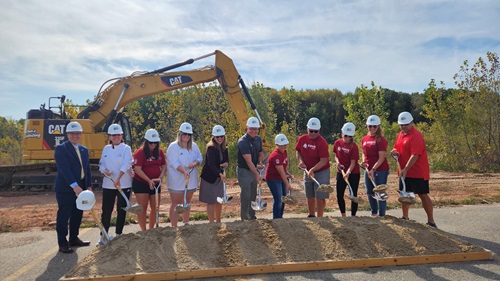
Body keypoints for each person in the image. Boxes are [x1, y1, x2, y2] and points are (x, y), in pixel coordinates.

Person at [391, 111, 437, 227]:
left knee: (423, 194)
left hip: (417, 171)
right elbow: (397, 149)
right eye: (402, 124)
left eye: (406, 124)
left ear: (412, 122)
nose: (404, 126)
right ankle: (405, 218)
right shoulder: (400, 135)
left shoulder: (416, 136)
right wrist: (394, 153)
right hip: (404, 172)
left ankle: (431, 221)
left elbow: (415, 155)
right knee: (404, 194)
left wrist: (406, 168)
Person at [54, 121, 92, 253]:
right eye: (72, 133)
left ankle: (74, 238)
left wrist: (89, 185)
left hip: (81, 187)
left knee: (77, 214)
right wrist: (74, 186)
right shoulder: (61, 149)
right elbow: (65, 170)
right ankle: (62, 242)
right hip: (66, 189)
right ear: (67, 134)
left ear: (80, 134)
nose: (74, 136)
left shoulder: (84, 150)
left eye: (77, 133)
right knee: (64, 215)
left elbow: (87, 169)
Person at [98, 124, 133, 244]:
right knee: (106, 210)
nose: (116, 137)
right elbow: (101, 164)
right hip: (108, 185)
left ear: (122, 135)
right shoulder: (106, 148)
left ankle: (119, 235)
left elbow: (126, 164)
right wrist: (104, 170)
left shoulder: (126, 148)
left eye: (118, 135)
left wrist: (118, 178)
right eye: (113, 135)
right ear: (110, 137)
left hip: (123, 184)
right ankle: (104, 236)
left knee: (121, 209)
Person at [167, 122, 203, 227]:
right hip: (176, 180)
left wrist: (195, 163)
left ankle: (186, 222)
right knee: (176, 203)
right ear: (180, 134)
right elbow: (174, 162)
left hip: (190, 180)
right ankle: (174, 226)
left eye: (188, 135)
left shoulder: (194, 146)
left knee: (186, 201)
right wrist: (184, 171)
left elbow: (199, 158)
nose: (186, 136)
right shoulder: (173, 147)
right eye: (184, 134)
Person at [295, 117, 330, 218]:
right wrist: (301, 162)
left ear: (319, 130)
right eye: (311, 131)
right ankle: (311, 215)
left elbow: (324, 160)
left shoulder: (322, 143)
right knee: (309, 193)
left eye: (316, 131)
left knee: (320, 195)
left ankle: (320, 217)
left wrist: (313, 170)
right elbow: (298, 151)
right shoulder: (302, 139)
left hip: (321, 171)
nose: (313, 133)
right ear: (307, 129)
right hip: (308, 169)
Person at [132, 129, 166, 230]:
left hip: (155, 183)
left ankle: (151, 229)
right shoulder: (140, 152)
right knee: (142, 208)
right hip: (142, 183)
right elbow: (137, 169)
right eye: (151, 142)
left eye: (155, 142)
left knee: (155, 208)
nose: (153, 144)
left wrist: (161, 176)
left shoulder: (159, 152)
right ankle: (144, 231)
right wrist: (148, 180)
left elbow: (164, 165)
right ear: (146, 142)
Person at [360, 115, 390, 217]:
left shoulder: (381, 140)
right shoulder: (364, 139)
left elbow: (381, 157)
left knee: (380, 193)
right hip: (368, 169)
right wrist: (363, 162)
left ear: (378, 127)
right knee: (369, 191)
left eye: (374, 126)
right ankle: (373, 213)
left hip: (380, 170)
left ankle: (381, 215)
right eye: (370, 126)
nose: (372, 128)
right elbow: (364, 152)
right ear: (367, 126)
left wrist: (373, 169)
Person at [199, 125, 229, 223]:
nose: (220, 138)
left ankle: (218, 221)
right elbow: (211, 164)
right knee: (211, 201)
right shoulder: (211, 148)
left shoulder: (224, 147)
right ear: (214, 137)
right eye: (217, 137)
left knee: (219, 200)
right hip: (209, 178)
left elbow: (226, 160)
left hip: (218, 177)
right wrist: (219, 174)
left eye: (221, 136)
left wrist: (226, 164)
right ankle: (211, 222)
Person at [237, 117, 264, 220]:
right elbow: (248, 161)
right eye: (251, 128)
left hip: (254, 169)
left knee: (253, 194)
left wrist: (260, 162)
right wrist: (257, 174)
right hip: (244, 171)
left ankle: (252, 215)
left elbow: (260, 153)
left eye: (255, 129)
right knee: (246, 194)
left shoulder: (258, 139)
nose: (253, 131)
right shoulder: (243, 142)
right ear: (247, 128)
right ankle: (245, 217)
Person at [333, 122, 360, 217]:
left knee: (353, 195)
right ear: (342, 133)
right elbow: (336, 156)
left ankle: (353, 216)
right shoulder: (337, 143)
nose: (347, 137)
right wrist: (338, 163)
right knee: (339, 194)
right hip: (341, 172)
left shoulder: (354, 147)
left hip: (353, 173)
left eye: (349, 136)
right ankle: (343, 215)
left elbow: (353, 163)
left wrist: (348, 172)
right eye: (345, 135)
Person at [265, 134, 293, 219]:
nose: (284, 146)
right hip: (273, 179)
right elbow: (281, 172)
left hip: (280, 177)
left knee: (283, 198)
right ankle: (276, 218)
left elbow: (283, 167)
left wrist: (288, 173)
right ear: (277, 145)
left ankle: (280, 216)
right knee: (278, 199)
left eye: (285, 144)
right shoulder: (275, 156)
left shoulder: (284, 152)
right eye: (282, 145)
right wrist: (287, 184)